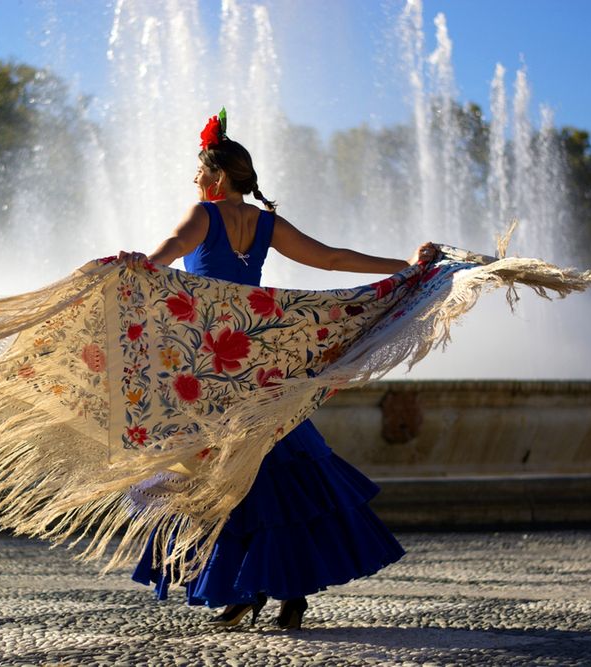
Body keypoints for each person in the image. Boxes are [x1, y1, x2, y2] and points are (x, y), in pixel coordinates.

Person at [122, 111, 436, 630]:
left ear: (217, 179)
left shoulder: (204, 213)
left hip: (216, 367)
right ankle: (282, 592)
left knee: (226, 474)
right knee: (276, 468)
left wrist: (142, 264)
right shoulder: (266, 224)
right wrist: (402, 267)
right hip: (258, 359)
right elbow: (332, 259)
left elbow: (173, 249)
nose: (195, 182)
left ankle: (248, 588)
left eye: (199, 174)